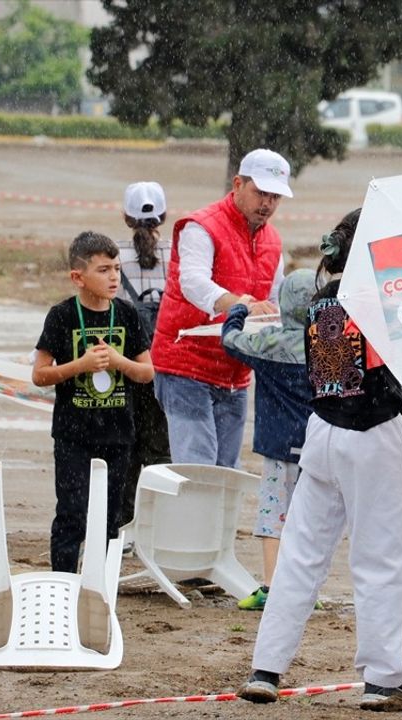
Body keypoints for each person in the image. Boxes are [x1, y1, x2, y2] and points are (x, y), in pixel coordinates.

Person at [238, 210, 402, 711]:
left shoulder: (322, 299)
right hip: (372, 433)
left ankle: (266, 668)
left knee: (300, 555)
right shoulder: (384, 301)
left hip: (322, 430)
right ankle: (383, 678)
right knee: (380, 558)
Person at [150, 148, 291, 468]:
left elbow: (274, 296)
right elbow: (193, 282)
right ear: (238, 184)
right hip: (185, 365)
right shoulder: (201, 227)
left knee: (226, 470)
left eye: (275, 197)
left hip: (234, 372)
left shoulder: (273, 241)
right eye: (261, 193)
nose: (267, 204)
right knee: (197, 469)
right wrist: (239, 305)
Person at [33, 232, 155, 572]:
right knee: (72, 513)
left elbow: (147, 372)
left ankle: (99, 586)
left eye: (116, 268)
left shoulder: (127, 314)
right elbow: (40, 374)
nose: (114, 277)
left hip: (118, 435)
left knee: (109, 517)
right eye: (103, 270)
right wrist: (80, 366)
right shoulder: (62, 316)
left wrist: (118, 362)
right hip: (73, 435)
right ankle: (63, 583)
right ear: (78, 277)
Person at [220, 268, 316, 611]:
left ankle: (273, 585)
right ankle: (304, 587)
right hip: (317, 444)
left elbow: (230, 340)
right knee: (310, 518)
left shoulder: (269, 343)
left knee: (274, 515)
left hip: (278, 445)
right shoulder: (325, 343)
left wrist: (239, 310)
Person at [115, 181, 172, 528]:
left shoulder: (111, 257)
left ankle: (122, 525)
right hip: (166, 366)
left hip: (125, 367)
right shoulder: (178, 255)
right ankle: (159, 525)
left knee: (126, 445)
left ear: (126, 217)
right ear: (163, 216)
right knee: (161, 447)